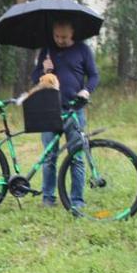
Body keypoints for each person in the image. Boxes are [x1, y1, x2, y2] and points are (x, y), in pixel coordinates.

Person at [31, 20, 100, 208]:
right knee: (49, 157)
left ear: (72, 34)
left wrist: (86, 90)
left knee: (76, 156)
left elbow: (94, 76)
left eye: (64, 37)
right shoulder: (46, 51)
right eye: (57, 37)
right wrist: (44, 71)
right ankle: (48, 198)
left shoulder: (83, 50)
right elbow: (34, 77)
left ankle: (76, 200)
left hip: (75, 110)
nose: (60, 40)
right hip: (49, 109)